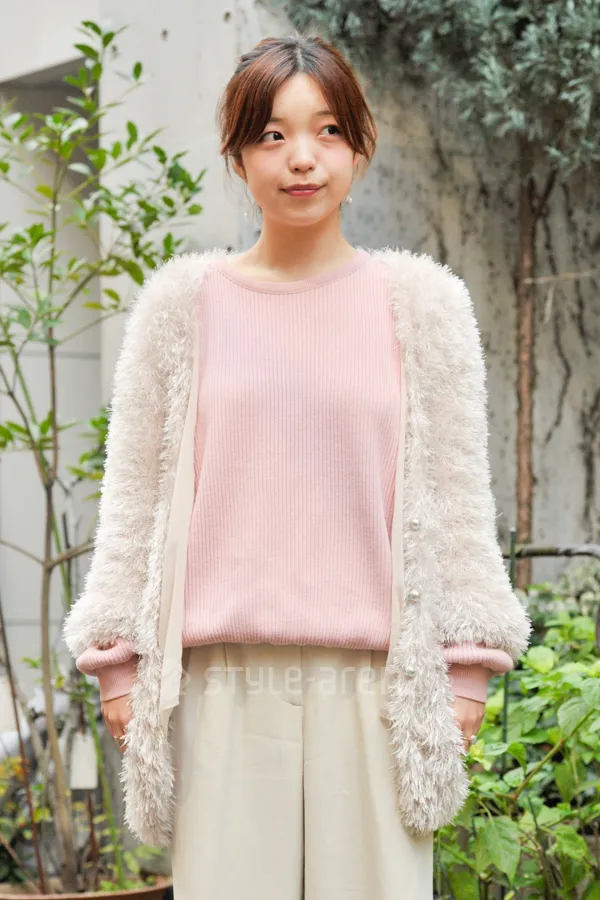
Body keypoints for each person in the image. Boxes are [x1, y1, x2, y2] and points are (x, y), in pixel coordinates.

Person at [62, 32, 531, 900]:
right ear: (238, 154)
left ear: (359, 145)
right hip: (220, 686)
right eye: (272, 135)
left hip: (379, 691)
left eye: (327, 131)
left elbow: (457, 497)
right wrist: (116, 660)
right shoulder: (180, 309)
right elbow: (134, 498)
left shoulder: (423, 307)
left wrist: (467, 669)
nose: (302, 158)